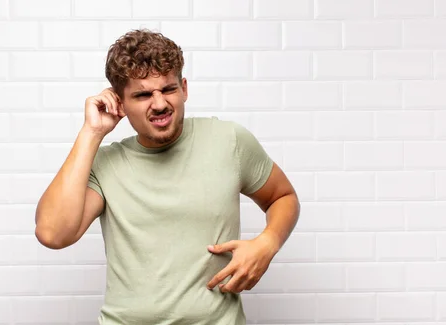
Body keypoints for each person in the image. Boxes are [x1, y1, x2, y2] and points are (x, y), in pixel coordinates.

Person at [35, 29, 300, 325]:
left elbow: (282, 196)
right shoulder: (106, 163)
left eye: (168, 89)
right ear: (120, 103)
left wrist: (267, 243)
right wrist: (91, 132)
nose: (159, 104)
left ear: (184, 88)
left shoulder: (229, 140)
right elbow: (53, 234)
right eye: (143, 94)